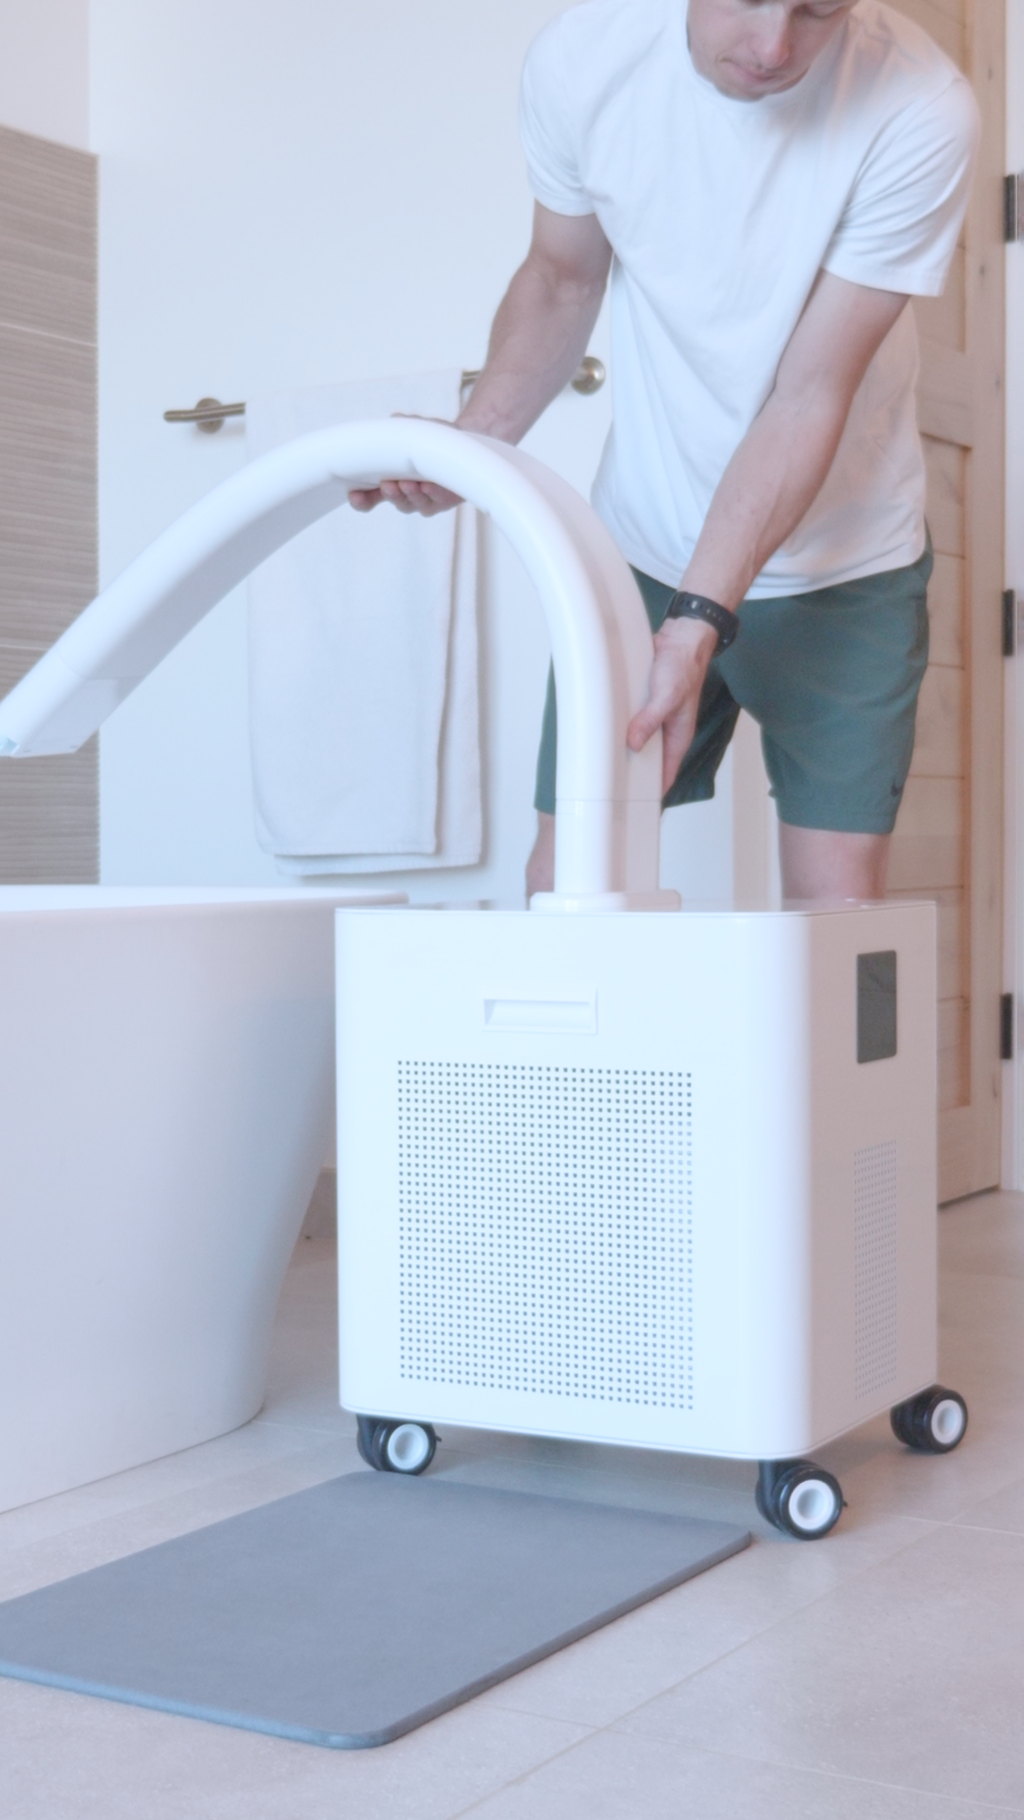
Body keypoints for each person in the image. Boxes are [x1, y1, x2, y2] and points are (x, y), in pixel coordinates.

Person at [350, 0, 978, 903]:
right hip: (645, 545)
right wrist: (475, 445)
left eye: (817, 10)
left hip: (844, 566)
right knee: (567, 883)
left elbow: (808, 394)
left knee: (835, 919)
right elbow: (562, 280)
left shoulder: (919, 106)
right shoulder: (584, 61)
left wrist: (698, 619)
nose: (775, 45)